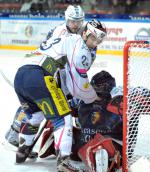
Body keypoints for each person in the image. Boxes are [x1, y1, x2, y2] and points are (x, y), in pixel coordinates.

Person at [13, 19, 107, 172]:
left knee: (35, 116)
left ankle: (23, 151)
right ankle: (64, 166)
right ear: (85, 33)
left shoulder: (68, 39)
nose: (95, 43)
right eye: (93, 38)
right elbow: (78, 85)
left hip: (21, 74)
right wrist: (93, 97)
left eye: (99, 40)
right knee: (63, 118)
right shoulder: (81, 47)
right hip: (39, 76)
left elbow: (65, 80)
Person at [5, 4, 96, 148]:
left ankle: (76, 134)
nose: (75, 25)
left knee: (73, 99)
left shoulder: (87, 33)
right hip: (50, 71)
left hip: (68, 72)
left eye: (78, 21)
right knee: (36, 101)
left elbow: (87, 60)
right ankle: (14, 131)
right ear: (66, 19)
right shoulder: (58, 31)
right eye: (72, 21)